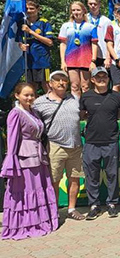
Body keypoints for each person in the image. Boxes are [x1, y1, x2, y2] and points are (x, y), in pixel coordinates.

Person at [2, 83, 58, 240]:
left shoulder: (34, 112)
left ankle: (41, 220)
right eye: (26, 95)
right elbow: (12, 138)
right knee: (27, 190)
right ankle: (25, 223)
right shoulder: (15, 113)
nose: (29, 98)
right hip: (24, 158)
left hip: (38, 155)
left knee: (38, 188)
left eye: (32, 95)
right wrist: (11, 160)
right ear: (17, 95)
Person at [32, 70, 84, 221]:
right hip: (54, 146)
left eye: (64, 80)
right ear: (50, 83)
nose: (61, 83)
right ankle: (53, 211)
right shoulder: (40, 102)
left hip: (75, 146)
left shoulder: (74, 98)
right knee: (54, 180)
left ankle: (71, 209)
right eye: (57, 80)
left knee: (74, 178)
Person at [80, 67, 120, 220]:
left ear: (108, 79)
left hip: (111, 141)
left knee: (112, 174)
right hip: (91, 141)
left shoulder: (116, 96)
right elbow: (82, 114)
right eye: (98, 77)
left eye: (104, 77)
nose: (101, 79)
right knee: (91, 175)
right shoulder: (86, 96)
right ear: (92, 79)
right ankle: (94, 205)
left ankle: (112, 204)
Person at [58, 1, 98, 97]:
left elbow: (94, 44)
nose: (76, 12)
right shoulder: (66, 26)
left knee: (85, 86)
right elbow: (63, 44)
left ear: (83, 11)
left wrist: (93, 61)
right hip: (71, 60)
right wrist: (63, 61)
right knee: (74, 86)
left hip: (86, 60)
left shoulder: (91, 27)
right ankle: (76, 105)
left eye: (78, 10)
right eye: (73, 10)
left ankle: (86, 105)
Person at [19, 0, 54, 93]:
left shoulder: (44, 23)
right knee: (31, 87)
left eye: (32, 8)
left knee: (46, 85)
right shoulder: (22, 23)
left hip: (42, 60)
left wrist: (31, 31)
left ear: (38, 9)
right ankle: (33, 103)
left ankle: (51, 102)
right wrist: (21, 45)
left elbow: (49, 42)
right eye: (27, 8)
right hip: (29, 60)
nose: (29, 11)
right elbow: (19, 40)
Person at [86, 0, 112, 68]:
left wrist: (108, 57)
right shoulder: (84, 19)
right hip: (87, 54)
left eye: (95, 4)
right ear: (87, 4)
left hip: (102, 55)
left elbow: (109, 41)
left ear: (99, 4)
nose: (93, 6)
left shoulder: (106, 21)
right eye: (90, 4)